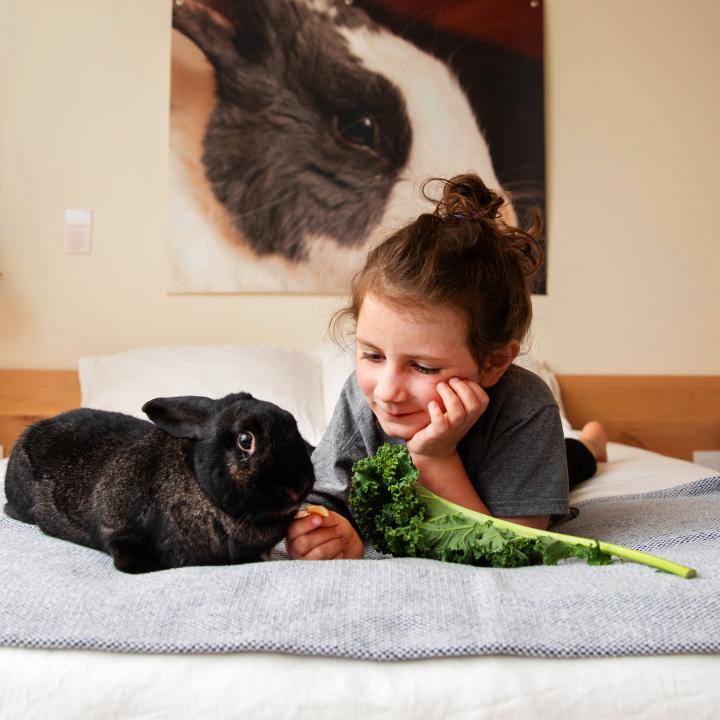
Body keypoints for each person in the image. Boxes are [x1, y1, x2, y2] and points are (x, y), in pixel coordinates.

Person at [286, 173, 607, 561]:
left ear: (494, 363)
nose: (387, 390)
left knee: (574, 463)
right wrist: (331, 529)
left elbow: (514, 548)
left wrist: (436, 458)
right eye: (373, 355)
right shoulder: (362, 395)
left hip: (508, 474)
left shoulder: (525, 406)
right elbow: (325, 493)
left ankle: (591, 441)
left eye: (422, 367)